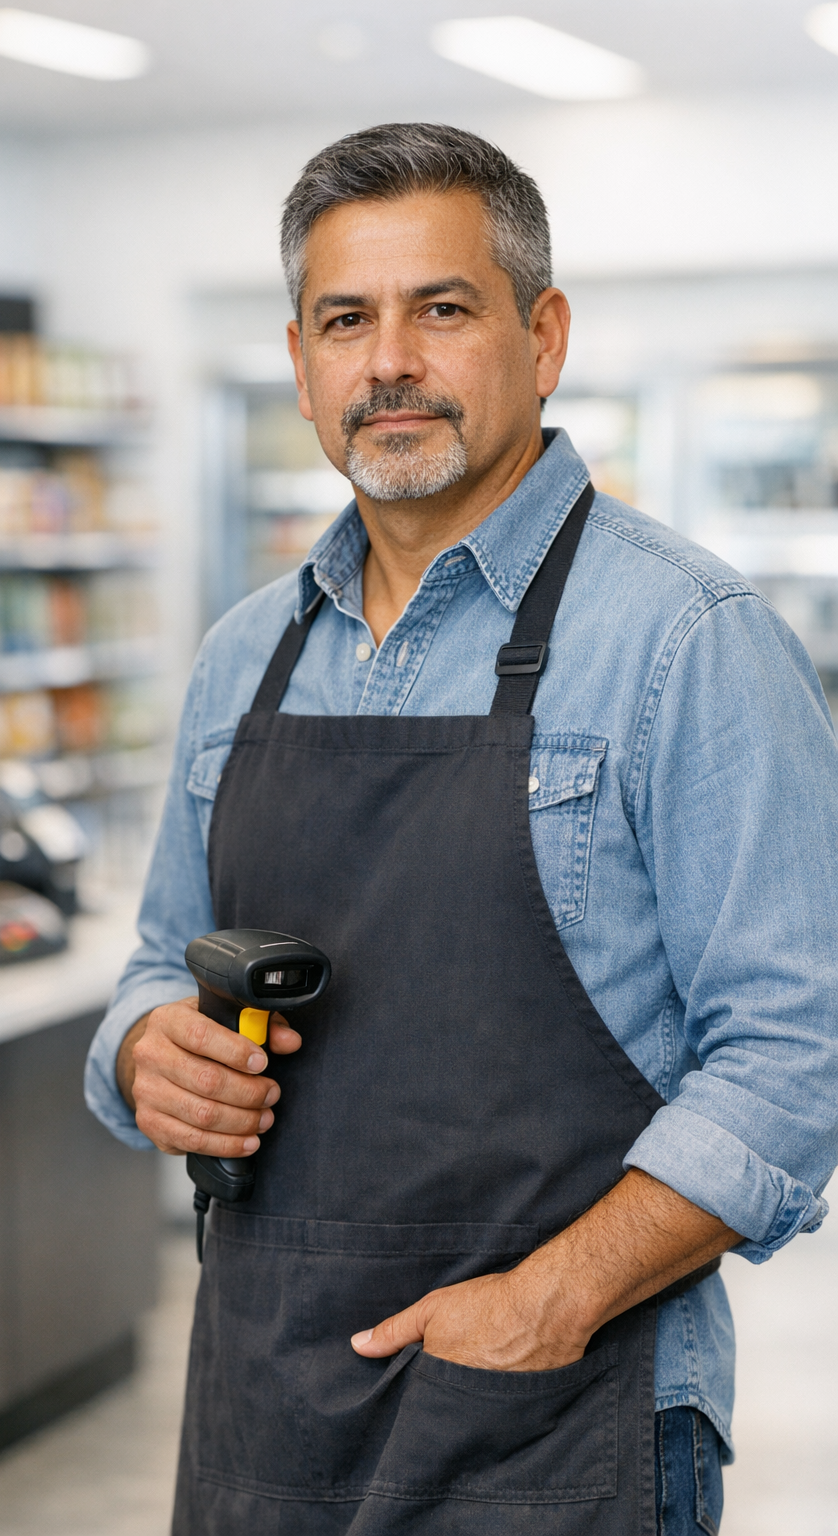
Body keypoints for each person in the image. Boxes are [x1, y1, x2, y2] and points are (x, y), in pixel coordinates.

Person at [85, 123, 838, 1535]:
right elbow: (149, 967)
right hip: (266, 1405)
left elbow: (796, 1059)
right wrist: (142, 1051)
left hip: (551, 1420)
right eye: (345, 321)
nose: (390, 365)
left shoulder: (691, 640)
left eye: (441, 310)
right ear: (302, 361)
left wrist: (547, 1304)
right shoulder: (242, 657)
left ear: (542, 336)